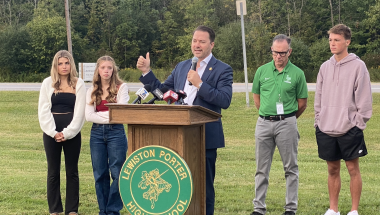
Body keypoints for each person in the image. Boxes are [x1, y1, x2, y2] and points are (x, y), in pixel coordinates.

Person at [136, 25, 233, 215]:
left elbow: (224, 100)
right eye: (194, 41)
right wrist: (147, 73)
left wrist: (200, 84)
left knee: (203, 187)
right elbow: (163, 93)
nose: (197, 45)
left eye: (202, 42)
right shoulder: (182, 66)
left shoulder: (223, 69)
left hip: (205, 137)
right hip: (177, 134)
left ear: (211, 44)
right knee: (178, 185)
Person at [314, 24, 372, 215]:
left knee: (352, 168)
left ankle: (354, 210)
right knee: (332, 169)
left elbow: (364, 100)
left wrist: (357, 123)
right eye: (330, 40)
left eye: (337, 40)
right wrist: (319, 121)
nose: (332, 43)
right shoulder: (324, 67)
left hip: (349, 128)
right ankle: (333, 209)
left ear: (347, 41)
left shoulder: (358, 66)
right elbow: (319, 98)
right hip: (326, 128)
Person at [250, 34, 308, 215]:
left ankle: (290, 208)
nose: (279, 56)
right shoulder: (262, 71)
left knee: (290, 168)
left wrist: (288, 119)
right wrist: (268, 114)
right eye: (276, 52)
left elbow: (302, 103)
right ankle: (259, 208)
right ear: (271, 51)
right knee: (261, 168)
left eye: (283, 53)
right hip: (264, 122)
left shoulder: (298, 73)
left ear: (289, 52)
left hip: (287, 123)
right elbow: (257, 98)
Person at [38, 50, 86, 215]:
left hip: (72, 132)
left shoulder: (78, 83)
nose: (64, 66)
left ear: (71, 64)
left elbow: (80, 112)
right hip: (51, 133)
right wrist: (53, 132)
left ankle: (72, 210)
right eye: (60, 63)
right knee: (53, 171)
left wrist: (68, 132)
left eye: (66, 63)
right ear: (55, 65)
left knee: (72, 171)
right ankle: (55, 210)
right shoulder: (47, 83)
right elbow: (43, 110)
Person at [85, 56, 129, 215]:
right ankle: (102, 211)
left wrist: (105, 115)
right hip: (96, 133)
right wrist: (110, 115)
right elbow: (89, 116)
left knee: (118, 173)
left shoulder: (121, 87)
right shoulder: (91, 90)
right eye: (103, 67)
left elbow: (121, 113)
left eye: (109, 68)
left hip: (116, 133)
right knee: (100, 174)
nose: (106, 71)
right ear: (98, 70)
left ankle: (112, 210)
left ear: (113, 70)